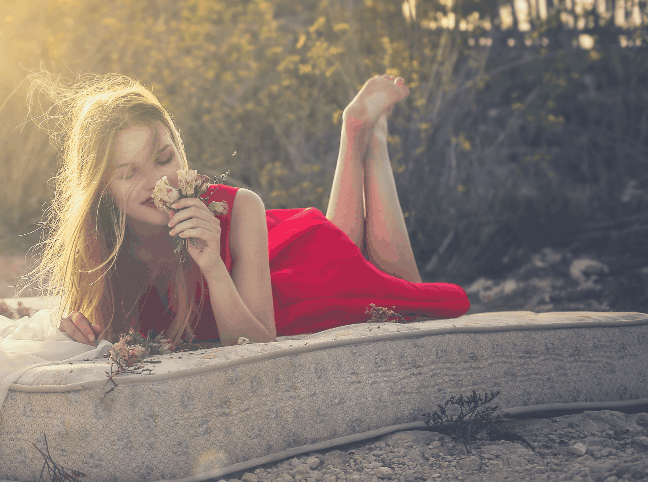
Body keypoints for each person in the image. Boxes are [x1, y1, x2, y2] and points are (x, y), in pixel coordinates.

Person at [30, 72, 470, 347]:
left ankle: (368, 141)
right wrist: (77, 331)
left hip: (281, 287)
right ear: (101, 189)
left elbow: (258, 343)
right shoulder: (98, 245)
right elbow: (99, 329)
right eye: (129, 172)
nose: (157, 182)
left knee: (405, 291)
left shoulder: (237, 208)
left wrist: (212, 266)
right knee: (347, 243)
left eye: (165, 158)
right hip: (273, 270)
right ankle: (361, 136)